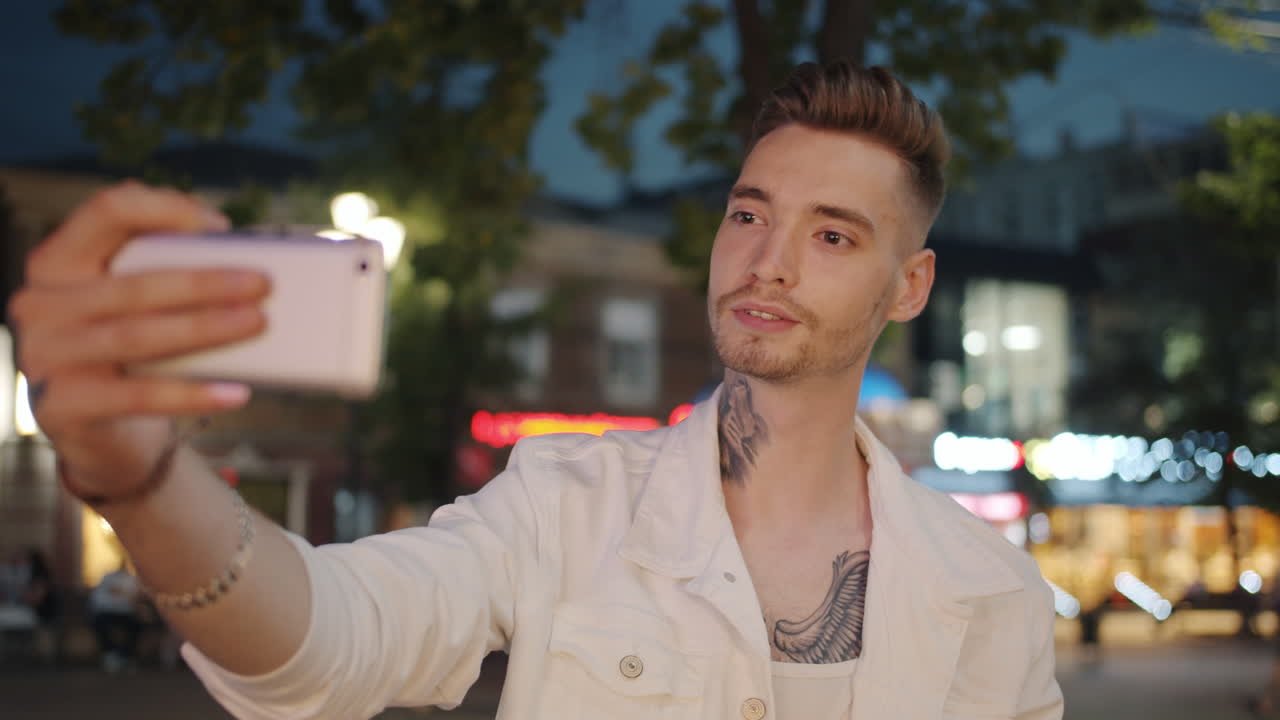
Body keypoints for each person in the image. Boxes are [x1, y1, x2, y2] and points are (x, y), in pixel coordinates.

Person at [10, 60, 1062, 719]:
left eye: (832, 233)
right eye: (748, 214)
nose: (768, 260)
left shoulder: (990, 592)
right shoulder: (564, 503)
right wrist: (142, 479)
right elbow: (330, 638)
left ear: (908, 284)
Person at [88, 562, 144, 673]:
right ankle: (110, 654)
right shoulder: (108, 578)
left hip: (126, 613)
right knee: (100, 624)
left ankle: (124, 656)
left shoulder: (131, 579)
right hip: (105, 612)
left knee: (137, 625)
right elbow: (99, 598)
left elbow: (135, 599)